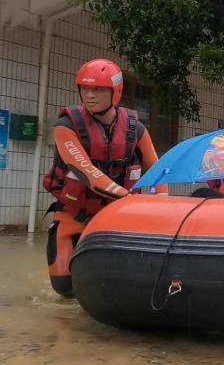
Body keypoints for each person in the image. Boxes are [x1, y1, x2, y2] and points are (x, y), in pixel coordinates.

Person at [42, 58, 167, 297]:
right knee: (63, 289)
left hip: (114, 217)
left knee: (114, 286)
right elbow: (87, 173)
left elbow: (157, 172)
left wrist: (163, 210)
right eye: (85, 89)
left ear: (115, 92)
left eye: (98, 90)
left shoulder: (136, 129)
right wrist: (127, 197)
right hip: (73, 215)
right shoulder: (66, 125)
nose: (89, 95)